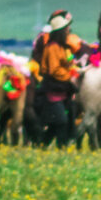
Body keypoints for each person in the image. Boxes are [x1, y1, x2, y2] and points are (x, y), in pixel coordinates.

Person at [31, 11, 84, 148]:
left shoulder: (60, 47)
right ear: (60, 31)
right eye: (66, 29)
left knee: (59, 122)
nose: (68, 32)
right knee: (61, 121)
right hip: (53, 88)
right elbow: (54, 70)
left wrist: (72, 66)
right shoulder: (53, 47)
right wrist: (69, 75)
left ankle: (43, 145)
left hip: (61, 88)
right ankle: (61, 147)